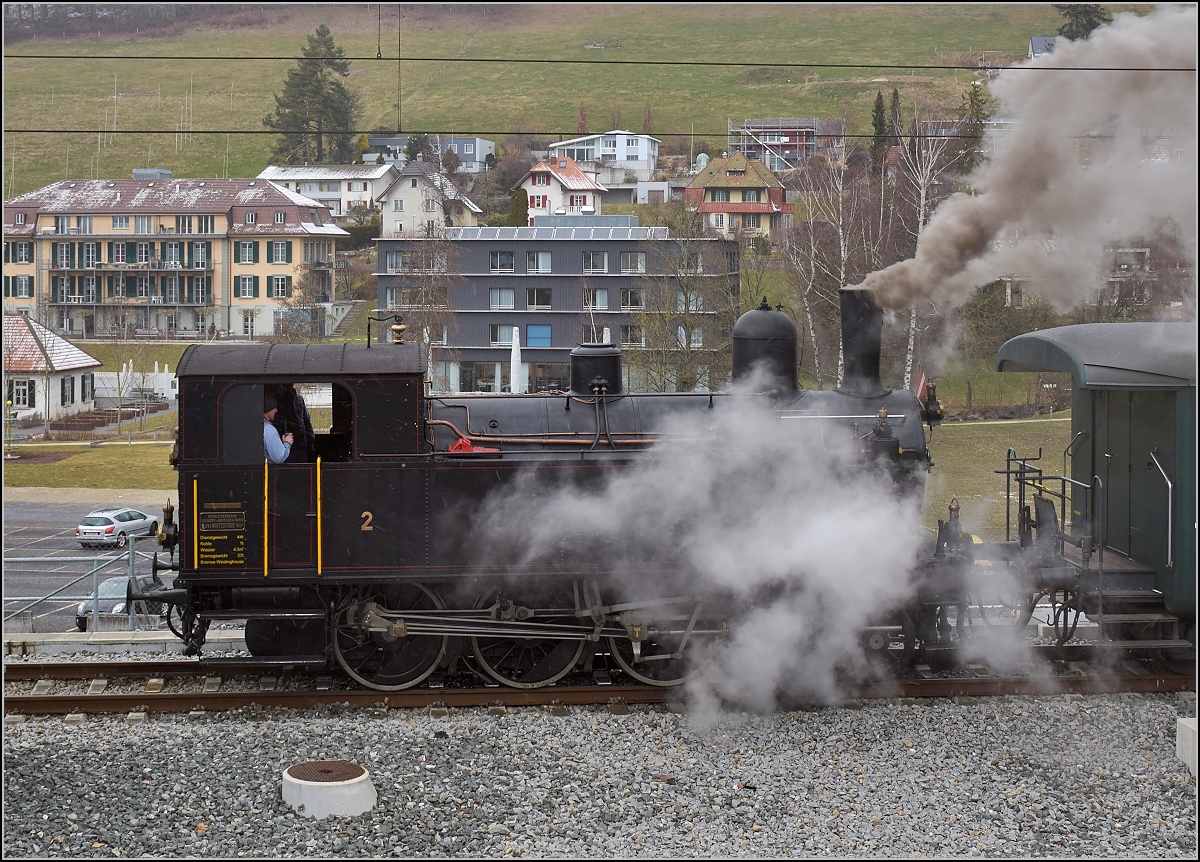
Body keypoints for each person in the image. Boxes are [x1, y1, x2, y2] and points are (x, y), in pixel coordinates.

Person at [272, 382, 315, 462]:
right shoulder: (274, 400)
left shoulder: (299, 399)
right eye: (285, 384)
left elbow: (306, 421)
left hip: (301, 443)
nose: (288, 386)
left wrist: (311, 440)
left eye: (290, 384)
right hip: (284, 443)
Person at [263, 393, 293, 464]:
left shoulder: (260, 426)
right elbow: (279, 458)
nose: (276, 410)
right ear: (268, 410)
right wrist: (287, 443)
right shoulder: (269, 430)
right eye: (274, 408)